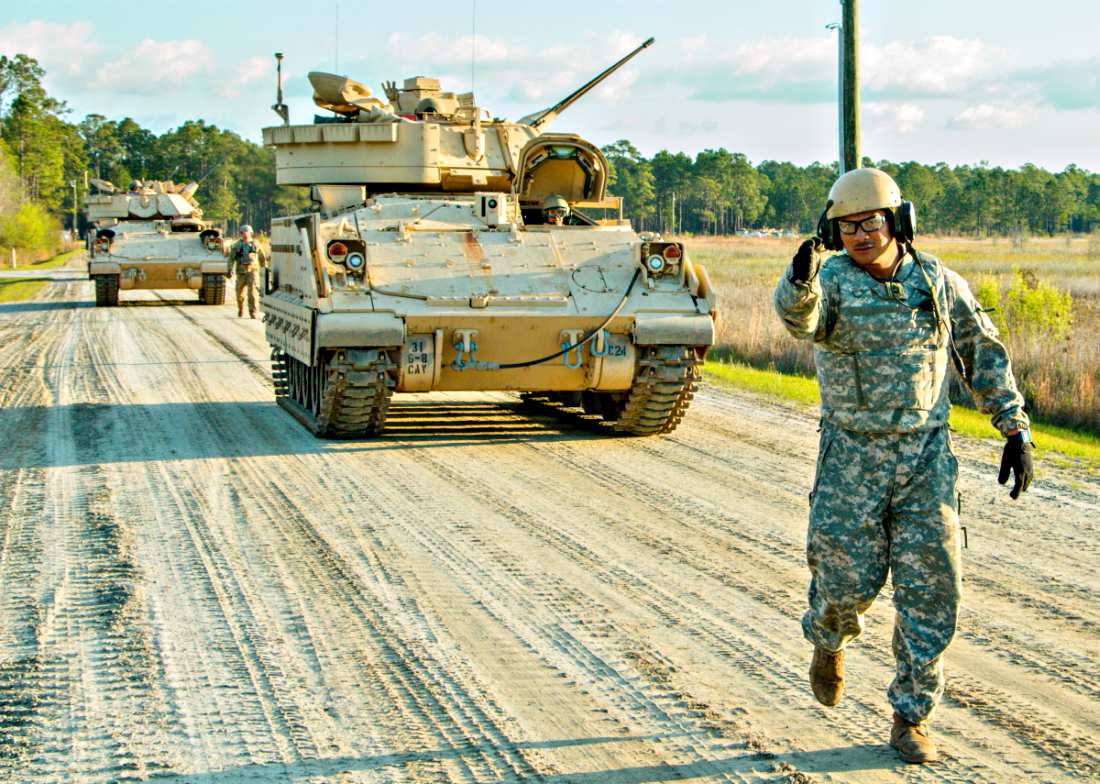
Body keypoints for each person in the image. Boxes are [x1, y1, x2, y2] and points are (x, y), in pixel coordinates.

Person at [774, 167, 1034, 764]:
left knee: (933, 591)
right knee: (843, 582)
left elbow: (981, 352)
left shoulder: (937, 283)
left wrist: (1015, 428)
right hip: (851, 457)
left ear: (898, 221)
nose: (861, 235)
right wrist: (798, 283)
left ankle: (911, 716)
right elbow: (799, 322)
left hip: (925, 460)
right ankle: (829, 636)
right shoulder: (831, 281)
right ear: (832, 231)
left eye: (871, 222)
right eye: (847, 226)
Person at [225, 225, 268, 319]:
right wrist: (229, 269)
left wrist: (265, 268)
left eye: (246, 231)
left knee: (253, 293)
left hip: (252, 272)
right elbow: (231, 259)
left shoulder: (256, 245)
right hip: (240, 272)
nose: (244, 233)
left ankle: (253, 312)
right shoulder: (236, 245)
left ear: (250, 233)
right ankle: (240, 308)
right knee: (239, 294)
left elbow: (262, 257)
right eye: (242, 232)